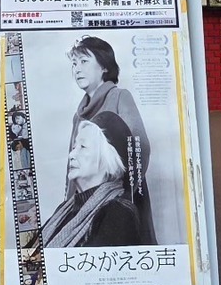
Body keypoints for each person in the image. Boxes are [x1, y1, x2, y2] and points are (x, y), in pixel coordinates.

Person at [65, 36, 156, 243]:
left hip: (116, 205)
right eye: (74, 64)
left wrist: (123, 194)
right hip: (84, 206)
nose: (77, 69)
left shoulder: (119, 97)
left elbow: (140, 147)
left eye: (84, 61)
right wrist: (70, 204)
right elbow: (72, 167)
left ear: (104, 66)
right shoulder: (78, 116)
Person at [43, 113, 143, 248]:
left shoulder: (118, 213)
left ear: (109, 159)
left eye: (83, 147)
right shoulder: (64, 209)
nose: (71, 155)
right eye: (74, 147)